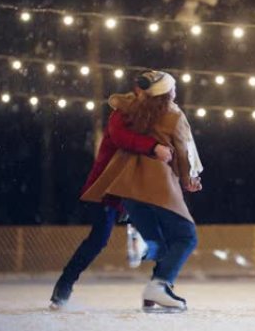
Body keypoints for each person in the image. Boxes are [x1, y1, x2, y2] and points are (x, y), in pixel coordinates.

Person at [82, 70, 203, 313]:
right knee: (186, 236)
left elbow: (116, 105)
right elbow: (182, 150)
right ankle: (159, 285)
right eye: (173, 88)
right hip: (156, 184)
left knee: (162, 240)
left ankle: (155, 291)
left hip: (129, 189)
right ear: (168, 92)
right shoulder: (173, 114)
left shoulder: (131, 111)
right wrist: (189, 178)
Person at [49, 98, 174, 310]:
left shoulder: (154, 125)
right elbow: (122, 138)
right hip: (106, 190)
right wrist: (153, 147)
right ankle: (64, 285)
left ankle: (156, 292)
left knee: (163, 234)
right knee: (99, 238)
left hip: (134, 192)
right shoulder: (122, 115)